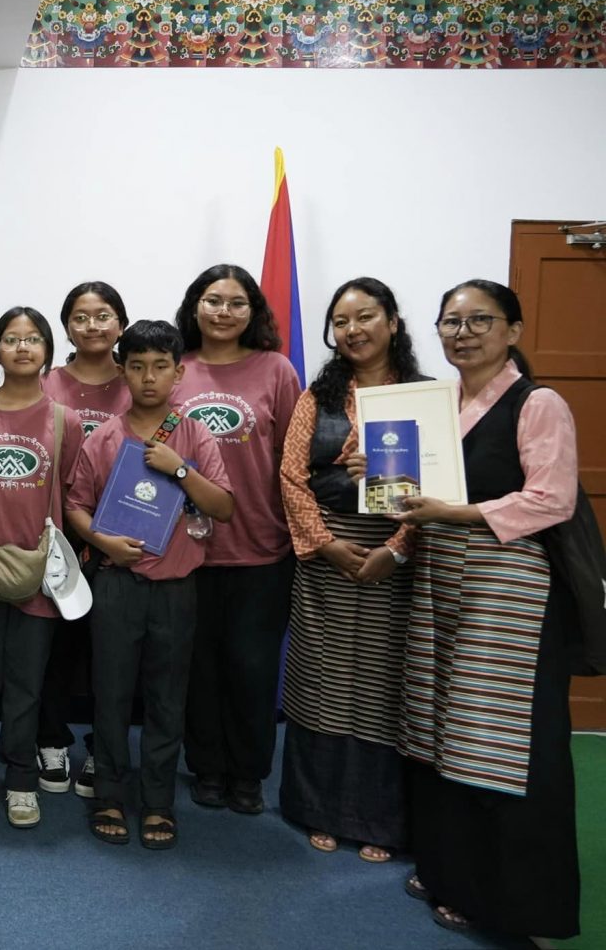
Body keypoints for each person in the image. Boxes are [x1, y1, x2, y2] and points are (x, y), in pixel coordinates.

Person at [395, 280, 580, 938]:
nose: (463, 332)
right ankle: (450, 870)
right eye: (452, 321)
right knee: (440, 729)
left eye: (481, 320)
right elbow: (412, 495)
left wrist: (458, 512)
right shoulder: (440, 403)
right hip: (442, 584)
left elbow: (551, 498)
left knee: (499, 745)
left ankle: (508, 899)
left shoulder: (538, 401)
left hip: (509, 598)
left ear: (514, 330)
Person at [66, 321, 233, 848]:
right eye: (136, 366)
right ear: (123, 371)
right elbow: (75, 506)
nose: (148, 377)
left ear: (179, 372)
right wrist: (105, 544)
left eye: (160, 366)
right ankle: (110, 794)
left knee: (167, 698)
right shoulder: (107, 437)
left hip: (176, 589)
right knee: (111, 694)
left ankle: (158, 802)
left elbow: (224, 507)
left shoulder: (195, 435)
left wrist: (180, 470)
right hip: (117, 585)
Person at [277, 278, 424, 863]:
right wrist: (327, 545)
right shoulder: (317, 398)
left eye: (366, 317)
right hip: (327, 555)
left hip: (398, 556)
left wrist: (398, 547)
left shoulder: (426, 396)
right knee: (323, 682)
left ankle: (379, 819)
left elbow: (443, 481)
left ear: (392, 321)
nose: (353, 329)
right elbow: (291, 478)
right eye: (341, 321)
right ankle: (320, 809)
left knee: (382, 685)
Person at [171, 263, 301, 815]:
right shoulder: (173, 369)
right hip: (184, 550)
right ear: (195, 306)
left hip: (260, 549)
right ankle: (206, 767)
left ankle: (248, 774)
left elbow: (295, 462)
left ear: (254, 312)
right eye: (213, 300)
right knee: (196, 668)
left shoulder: (276, 371)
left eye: (236, 302)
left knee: (252, 668)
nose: (223, 312)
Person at [0, 307, 84, 829]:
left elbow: (70, 491)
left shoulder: (63, 420)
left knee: (27, 684)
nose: (22, 347)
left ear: (48, 350)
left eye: (32, 339)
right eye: (10, 339)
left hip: (41, 571)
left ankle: (21, 779)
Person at [36, 281, 130, 797]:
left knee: (108, 655)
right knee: (53, 647)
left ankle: (103, 747)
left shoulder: (138, 378)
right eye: (81, 316)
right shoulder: (47, 383)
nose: (92, 326)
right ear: (66, 325)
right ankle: (50, 740)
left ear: (121, 323)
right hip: (57, 539)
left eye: (104, 315)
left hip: (122, 542)